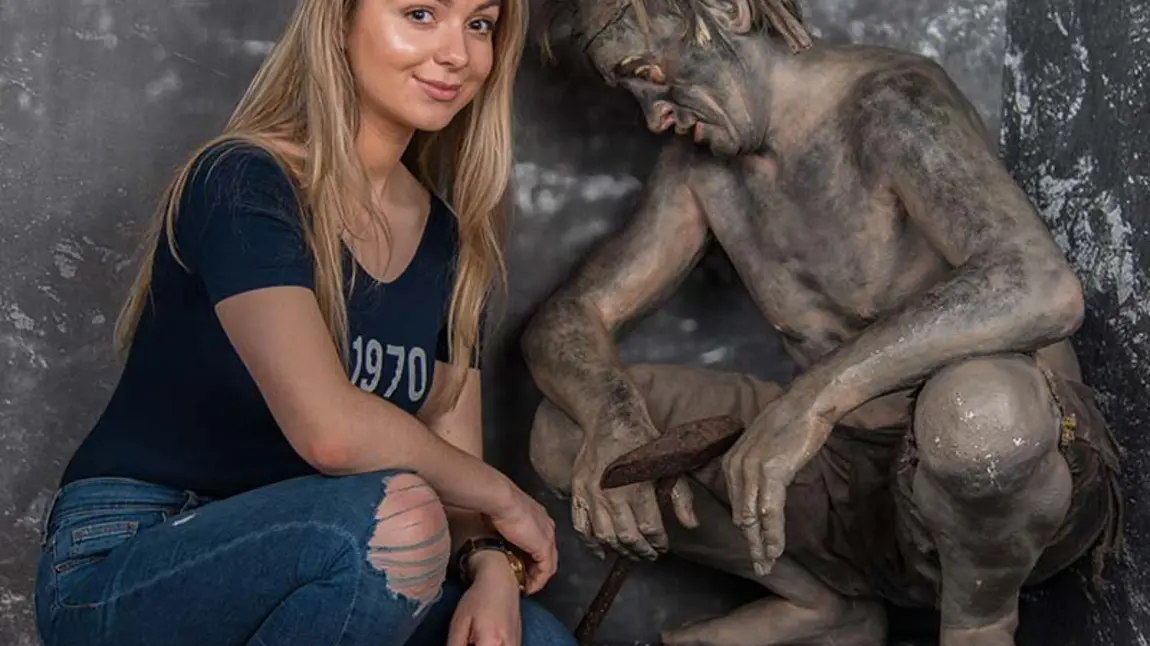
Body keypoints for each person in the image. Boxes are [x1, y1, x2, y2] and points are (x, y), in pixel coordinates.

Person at [521, 0, 1124, 645]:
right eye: (631, 93)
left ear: (727, 10)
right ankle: (821, 604)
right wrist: (613, 418)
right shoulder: (699, 169)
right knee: (566, 429)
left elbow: (1039, 285)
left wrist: (814, 400)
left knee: (979, 416)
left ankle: (980, 624)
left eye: (651, 74)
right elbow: (565, 320)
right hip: (844, 491)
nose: (653, 115)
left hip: (996, 480)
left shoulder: (891, 102)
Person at [33, 0, 576, 645]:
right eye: (422, 14)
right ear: (339, 22)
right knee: (396, 521)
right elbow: (330, 433)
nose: (458, 54)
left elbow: (451, 467)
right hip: (129, 555)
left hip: (336, 568)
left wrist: (490, 566)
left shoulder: (452, 248)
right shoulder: (244, 180)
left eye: (480, 24)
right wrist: (507, 499)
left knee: (535, 638)